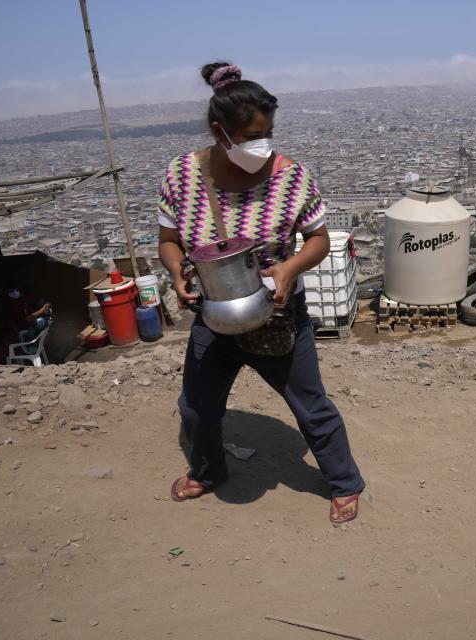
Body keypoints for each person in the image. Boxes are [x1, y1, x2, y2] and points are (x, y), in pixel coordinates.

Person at [157, 61, 365, 524]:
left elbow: (318, 239)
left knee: (310, 406)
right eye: (251, 135)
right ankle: (208, 470)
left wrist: (290, 268)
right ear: (219, 131)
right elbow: (168, 242)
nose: (263, 144)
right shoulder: (182, 176)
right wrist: (176, 274)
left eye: (268, 131)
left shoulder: (292, 179)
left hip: (276, 314)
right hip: (214, 314)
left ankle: (344, 481)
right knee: (196, 406)